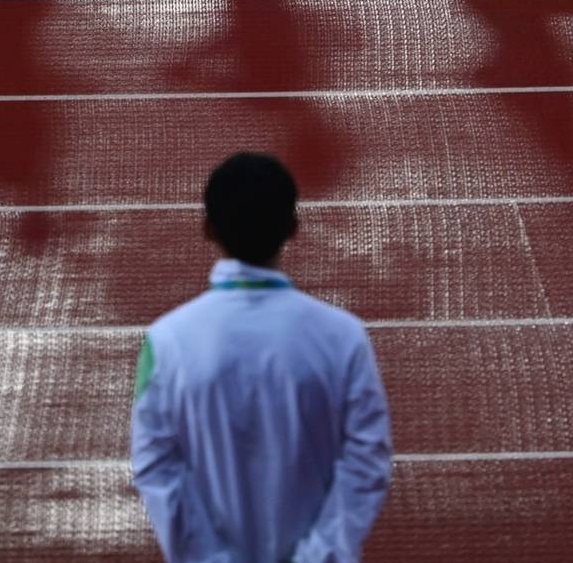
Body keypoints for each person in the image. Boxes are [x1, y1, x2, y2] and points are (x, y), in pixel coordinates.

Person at [132, 153, 392, 563]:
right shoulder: (343, 338)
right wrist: (319, 556)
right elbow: (366, 461)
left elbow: (156, 465)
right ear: (293, 227)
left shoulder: (166, 342)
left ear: (207, 228)